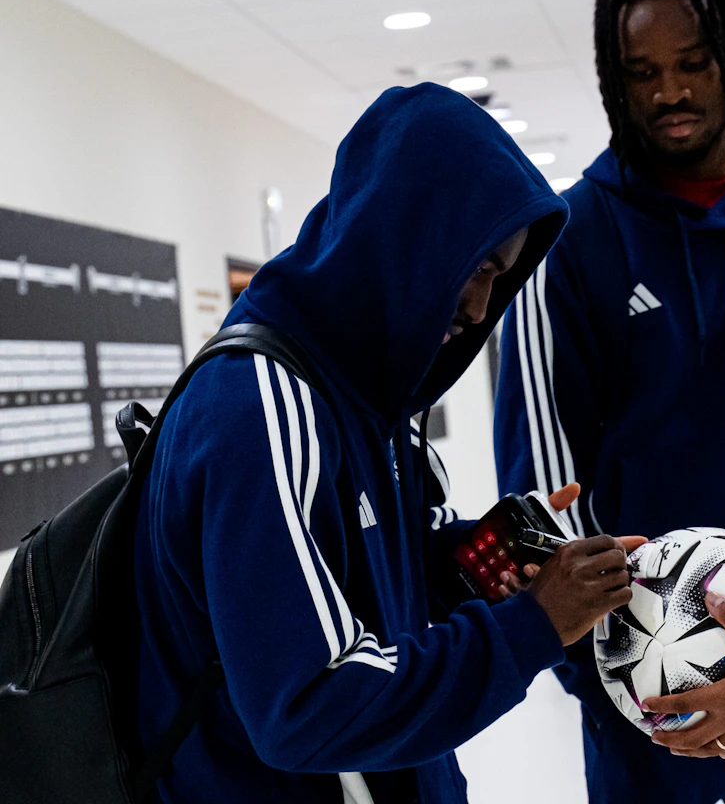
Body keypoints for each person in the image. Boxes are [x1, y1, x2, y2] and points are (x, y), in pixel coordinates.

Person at [133, 83, 640, 804]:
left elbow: (379, 576)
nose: (475, 310)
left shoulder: (369, 399)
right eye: (471, 269)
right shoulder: (261, 405)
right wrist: (532, 627)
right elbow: (308, 705)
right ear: (400, 238)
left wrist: (501, 554)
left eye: (497, 280)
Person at [493, 0, 725, 804]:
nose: (671, 93)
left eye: (692, 64)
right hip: (654, 693)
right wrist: (615, 687)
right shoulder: (569, 243)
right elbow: (544, 501)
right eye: (642, 72)